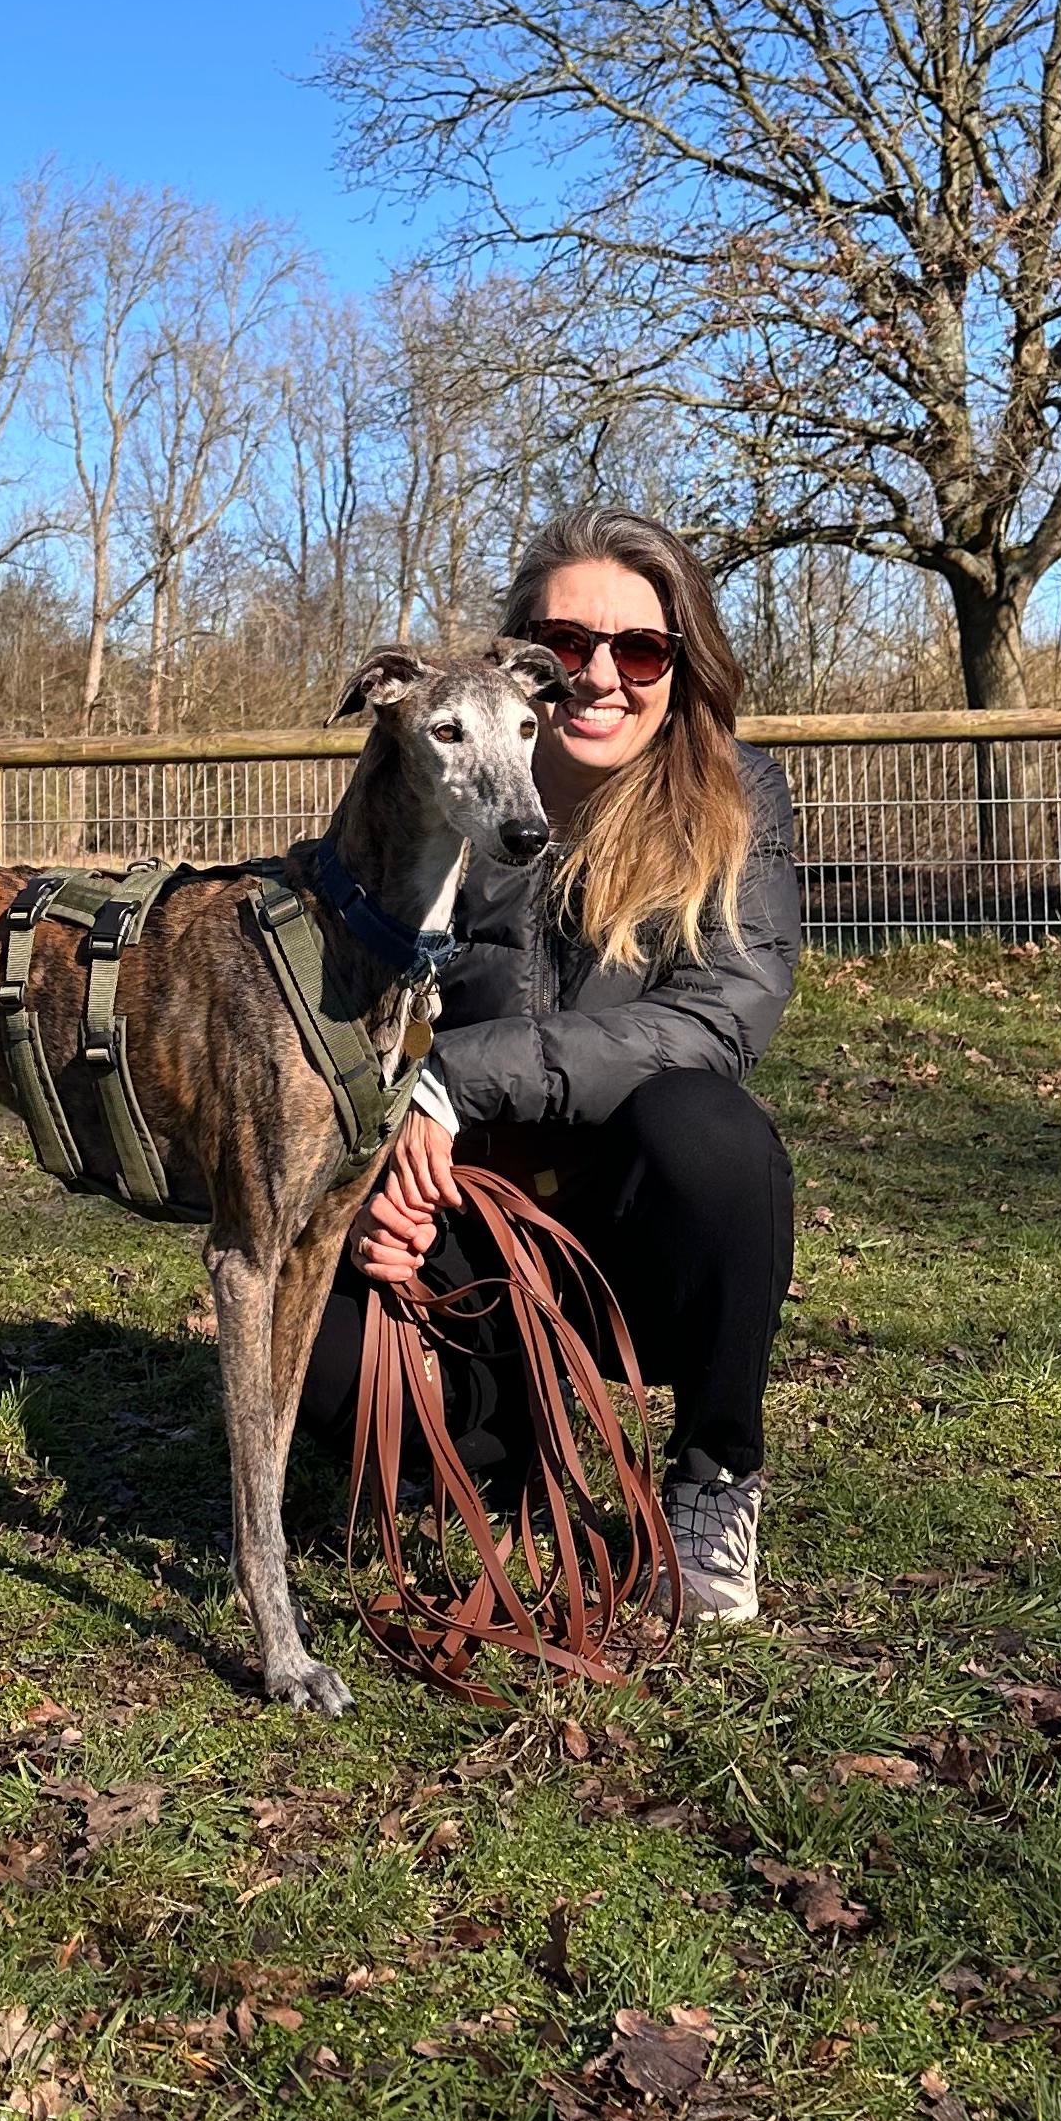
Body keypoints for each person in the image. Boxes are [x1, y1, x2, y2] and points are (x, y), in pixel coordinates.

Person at [304, 508, 801, 1626]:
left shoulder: (736, 797)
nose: (598, 678)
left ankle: (713, 1477)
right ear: (514, 656)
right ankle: (495, 1453)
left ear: (680, 664)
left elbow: (723, 1017)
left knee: (711, 1134)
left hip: (635, 1221)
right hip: (462, 1215)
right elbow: (359, 1013)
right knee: (312, 1347)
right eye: (565, 645)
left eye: (639, 649)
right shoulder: (426, 797)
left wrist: (452, 1081)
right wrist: (383, 1161)